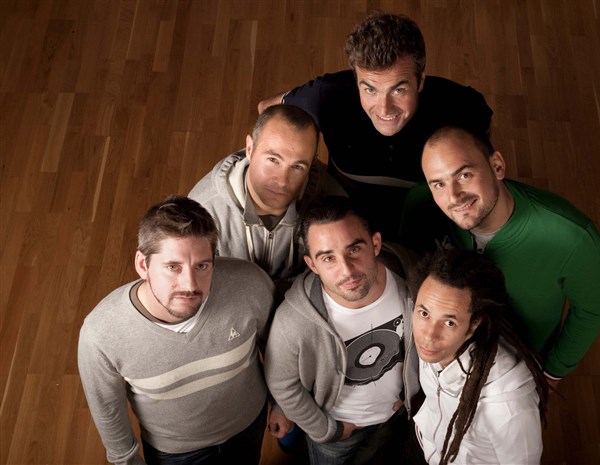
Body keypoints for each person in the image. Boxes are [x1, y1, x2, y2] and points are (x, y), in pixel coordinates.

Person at [400, 126, 600, 385]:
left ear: (497, 166)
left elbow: (592, 309)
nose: (453, 196)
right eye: (439, 184)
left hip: (518, 367)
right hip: (439, 358)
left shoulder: (571, 237)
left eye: (464, 175)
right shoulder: (420, 205)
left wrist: (553, 371)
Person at [257, 12, 493, 240]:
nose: (384, 109)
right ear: (355, 80)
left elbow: (483, 157)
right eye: (370, 89)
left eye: (398, 90)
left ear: (420, 81)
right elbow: (266, 109)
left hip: (428, 216)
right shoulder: (327, 96)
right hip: (346, 214)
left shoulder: (461, 106)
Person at [77, 196, 274, 465]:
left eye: (201, 266)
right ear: (143, 265)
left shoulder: (250, 285)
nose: (190, 284)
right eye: (173, 267)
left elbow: (277, 349)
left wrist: (282, 405)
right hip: (175, 452)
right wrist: (127, 461)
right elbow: (107, 409)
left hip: (248, 427)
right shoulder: (101, 334)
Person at [263, 196, 420, 465]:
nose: (346, 270)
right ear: (312, 265)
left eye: (354, 250)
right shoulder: (293, 320)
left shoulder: (411, 278)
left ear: (375, 244)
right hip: (338, 433)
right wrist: (327, 430)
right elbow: (282, 384)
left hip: (396, 417)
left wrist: (414, 393)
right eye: (328, 258)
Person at [188, 104, 344, 303]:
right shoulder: (202, 209)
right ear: (250, 149)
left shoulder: (332, 200)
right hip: (231, 300)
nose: (282, 180)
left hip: (300, 302)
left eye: (297, 166)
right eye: (273, 160)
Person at [409, 247, 549, 465]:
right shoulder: (434, 349)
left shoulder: (509, 409)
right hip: (429, 446)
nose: (428, 335)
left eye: (449, 323)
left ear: (474, 324)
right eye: (424, 313)